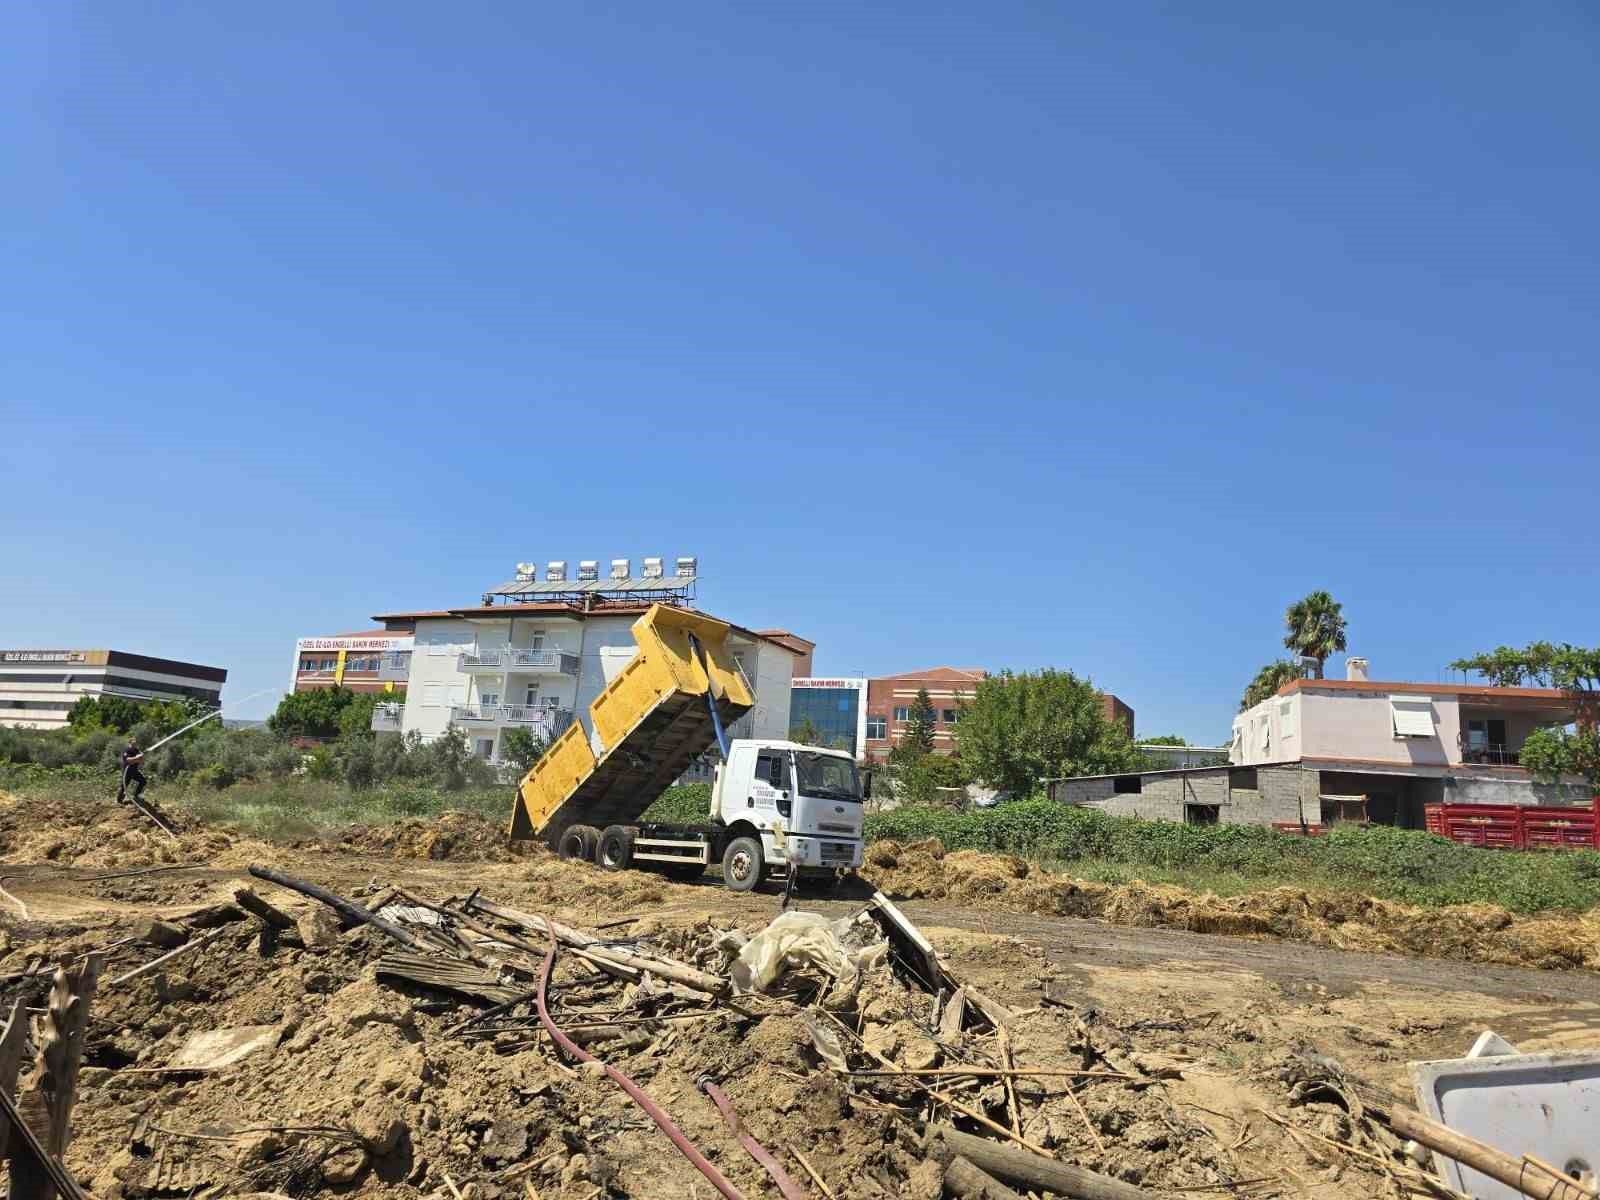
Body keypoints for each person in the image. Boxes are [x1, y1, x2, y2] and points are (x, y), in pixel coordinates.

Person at [117, 738, 147, 805]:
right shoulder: (126, 750)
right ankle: (119, 801)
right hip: (127, 772)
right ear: (130, 743)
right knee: (124, 787)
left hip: (134, 771)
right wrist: (137, 758)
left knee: (143, 781)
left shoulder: (137, 750)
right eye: (133, 742)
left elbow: (142, 761)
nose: (135, 743)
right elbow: (128, 760)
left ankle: (136, 796)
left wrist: (141, 757)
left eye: (136, 742)